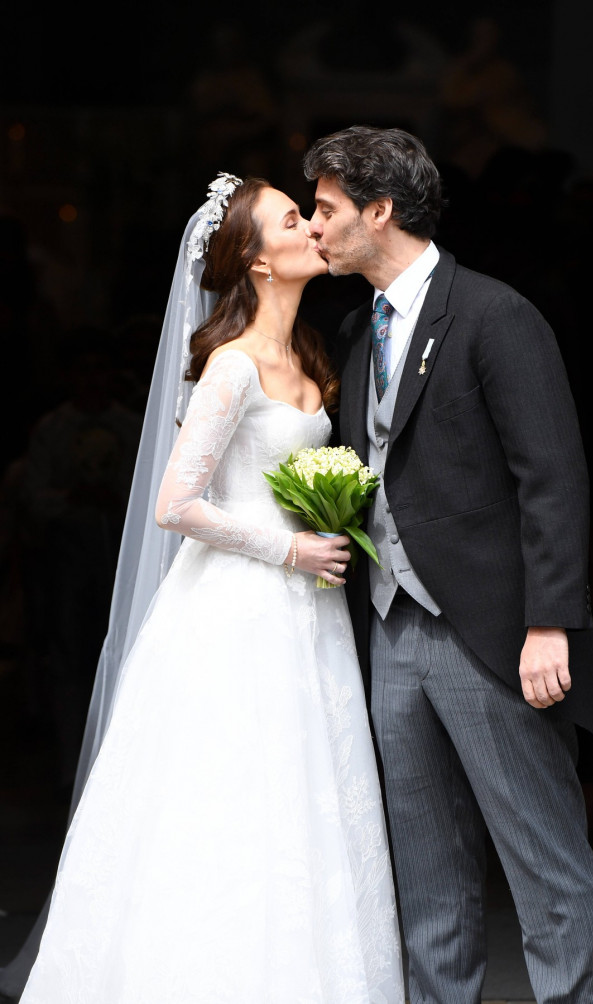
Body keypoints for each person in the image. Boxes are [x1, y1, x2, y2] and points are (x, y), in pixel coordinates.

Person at [11, 173, 405, 1003]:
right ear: (258, 263)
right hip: (235, 610)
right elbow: (174, 504)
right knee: (229, 799)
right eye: (293, 221)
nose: (311, 229)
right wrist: (287, 550)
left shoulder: (310, 354)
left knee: (307, 802)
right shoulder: (231, 366)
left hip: (308, 615)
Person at [302, 125, 593, 1004]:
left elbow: (554, 477)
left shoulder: (494, 313)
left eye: (328, 209)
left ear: (380, 210)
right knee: (426, 879)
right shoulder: (352, 325)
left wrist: (550, 619)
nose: (315, 225)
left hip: (491, 633)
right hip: (389, 628)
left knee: (546, 871)